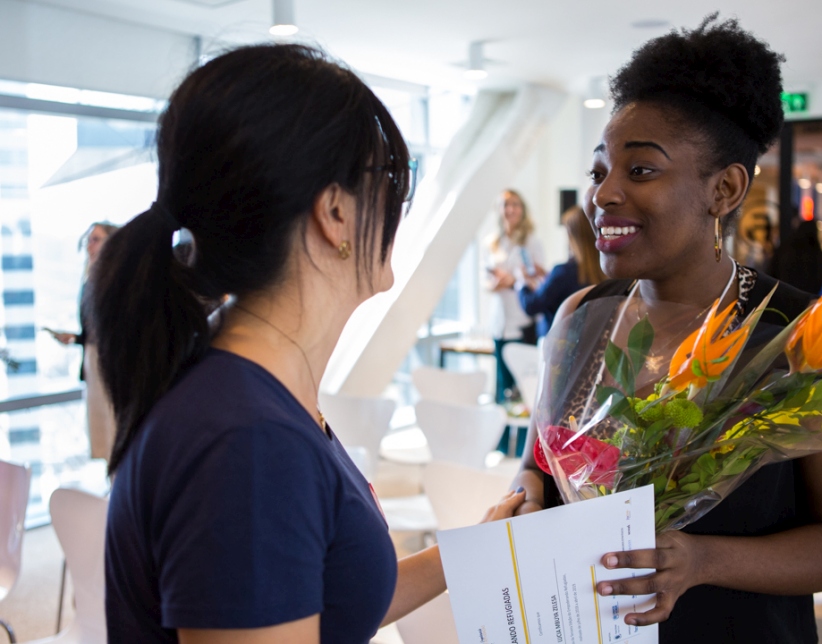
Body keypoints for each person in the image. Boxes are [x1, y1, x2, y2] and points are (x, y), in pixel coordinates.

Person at [90, 44, 524, 643]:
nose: (399, 208)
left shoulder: (256, 395)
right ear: (335, 211)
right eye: (392, 182)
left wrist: (472, 549)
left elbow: (326, 595)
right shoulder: (246, 441)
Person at [512, 16, 822, 643]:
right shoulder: (582, 316)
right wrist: (523, 496)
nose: (604, 194)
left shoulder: (803, 342)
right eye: (600, 170)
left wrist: (704, 561)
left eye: (642, 171)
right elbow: (538, 466)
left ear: (724, 189)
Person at [47, 221, 120, 459]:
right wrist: (77, 338)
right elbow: (93, 328)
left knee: (113, 426)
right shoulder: (90, 278)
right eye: (88, 240)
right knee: (101, 427)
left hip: (109, 360)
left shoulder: (112, 279)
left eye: (96, 239)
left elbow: (111, 324)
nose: (90, 245)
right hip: (93, 357)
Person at [486, 189, 544, 401]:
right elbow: (487, 277)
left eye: (515, 204)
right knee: (502, 386)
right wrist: (493, 284)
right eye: (505, 204)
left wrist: (512, 281)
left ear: (522, 209)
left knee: (523, 388)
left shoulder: (531, 242)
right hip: (500, 323)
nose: (510, 209)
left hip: (522, 322)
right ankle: (501, 434)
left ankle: (520, 435)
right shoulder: (494, 243)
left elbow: (539, 281)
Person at [517, 205, 605, 338]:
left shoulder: (563, 273)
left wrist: (521, 282)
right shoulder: (604, 271)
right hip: (588, 341)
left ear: (573, 237)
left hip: (557, 345)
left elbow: (532, 305)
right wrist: (547, 276)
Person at [769, 218, 822, 295]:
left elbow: (771, 274)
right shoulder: (819, 256)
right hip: (810, 302)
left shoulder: (784, 250)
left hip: (784, 297)